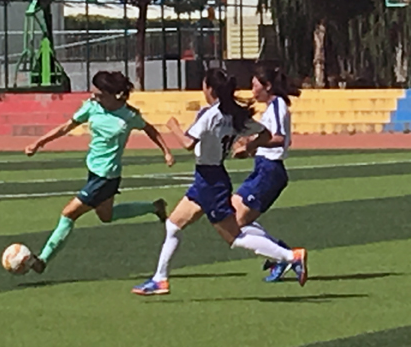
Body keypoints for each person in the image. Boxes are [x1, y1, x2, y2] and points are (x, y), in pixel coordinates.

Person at [132, 68, 308, 296]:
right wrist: (251, 145)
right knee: (173, 224)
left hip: (210, 181)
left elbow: (187, 143)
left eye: (204, 86)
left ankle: (290, 256)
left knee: (235, 237)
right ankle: (160, 279)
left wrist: (173, 126)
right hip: (208, 178)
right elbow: (265, 134)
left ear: (210, 89)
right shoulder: (236, 114)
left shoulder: (211, 114)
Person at [22, 70, 175, 274]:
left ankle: (43, 259)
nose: (94, 97)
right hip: (93, 171)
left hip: (107, 176)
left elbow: (150, 129)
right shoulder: (92, 107)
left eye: (99, 94)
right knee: (106, 216)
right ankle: (154, 207)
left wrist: (166, 152)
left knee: (69, 213)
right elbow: (66, 127)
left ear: (114, 94)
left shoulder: (129, 115)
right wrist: (39, 142)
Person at [234, 66, 301, 282]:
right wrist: (247, 144)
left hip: (270, 171)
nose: (252, 90)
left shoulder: (278, 106)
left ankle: (284, 256)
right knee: (230, 215)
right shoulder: (271, 108)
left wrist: (251, 146)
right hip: (262, 169)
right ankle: (283, 254)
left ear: (268, 86)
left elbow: (280, 139)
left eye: (255, 85)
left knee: (236, 221)